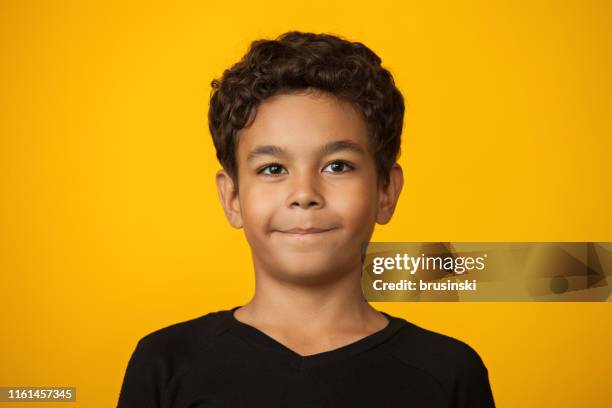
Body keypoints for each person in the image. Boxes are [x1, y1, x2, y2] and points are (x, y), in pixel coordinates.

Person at [117, 31, 496, 407]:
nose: (304, 194)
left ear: (386, 191)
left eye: (337, 165)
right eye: (272, 169)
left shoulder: (448, 374)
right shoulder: (165, 366)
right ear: (232, 197)